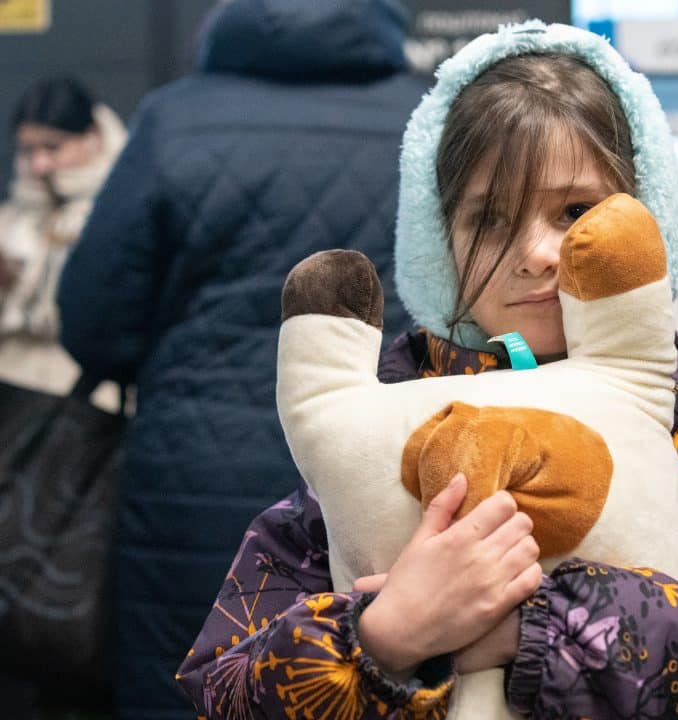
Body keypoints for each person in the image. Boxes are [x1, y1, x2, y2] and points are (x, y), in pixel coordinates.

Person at [175, 20, 678, 720]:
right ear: (440, 243)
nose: (537, 253)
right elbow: (222, 690)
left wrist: (533, 627)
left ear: (647, 215)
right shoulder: (380, 418)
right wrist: (385, 637)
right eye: (489, 220)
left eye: (576, 210)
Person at [56, 1, 424, 718]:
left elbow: (95, 323)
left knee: (186, 685)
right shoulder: (428, 120)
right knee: (366, 682)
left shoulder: (174, 118)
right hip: (379, 479)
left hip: (188, 489)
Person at [0, 76, 125, 396]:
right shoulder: (12, 217)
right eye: (28, 150)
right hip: (13, 401)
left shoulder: (125, 208)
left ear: (93, 137)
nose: (40, 164)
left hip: (91, 400)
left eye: (53, 147)